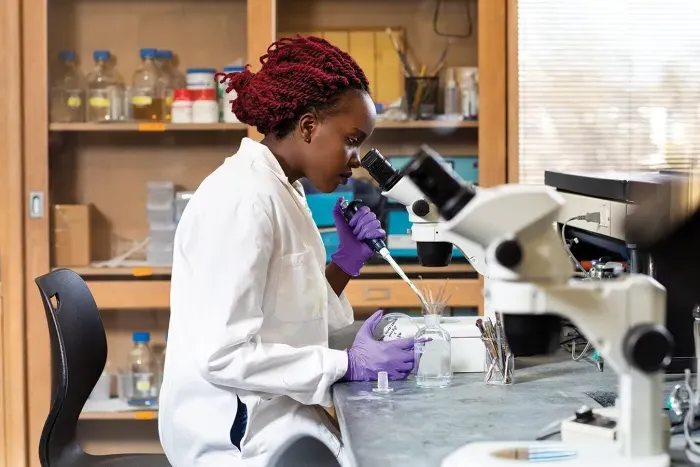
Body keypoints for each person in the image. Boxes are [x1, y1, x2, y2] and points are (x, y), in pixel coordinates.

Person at [158, 35, 416, 467]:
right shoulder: (242, 200)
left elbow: (298, 318)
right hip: (234, 433)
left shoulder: (284, 190)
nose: (357, 159)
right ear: (309, 126)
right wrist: (346, 365)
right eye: (352, 140)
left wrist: (345, 263)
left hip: (276, 405)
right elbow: (222, 355)